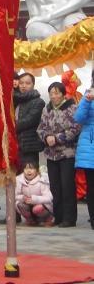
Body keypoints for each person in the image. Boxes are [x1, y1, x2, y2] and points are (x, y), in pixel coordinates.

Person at [38, 82, 81, 227]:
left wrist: (57, 138)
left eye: (57, 93)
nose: (54, 96)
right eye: (51, 93)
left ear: (63, 93)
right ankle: (58, 215)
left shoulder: (72, 108)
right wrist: (46, 137)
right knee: (55, 186)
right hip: (51, 154)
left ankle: (69, 218)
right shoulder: (47, 109)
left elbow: (76, 128)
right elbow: (40, 128)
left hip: (67, 153)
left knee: (67, 185)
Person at [73, 75, 94, 229]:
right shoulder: (88, 94)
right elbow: (78, 118)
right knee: (91, 186)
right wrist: (87, 101)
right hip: (89, 146)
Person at [15, 72, 45, 169]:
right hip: (15, 145)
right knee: (17, 179)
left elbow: (29, 121)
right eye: (21, 83)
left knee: (30, 178)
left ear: (33, 85)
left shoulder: (38, 102)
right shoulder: (16, 101)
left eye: (27, 83)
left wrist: (9, 127)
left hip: (29, 146)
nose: (24, 86)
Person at [15, 160, 53, 226]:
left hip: (41, 205)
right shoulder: (19, 180)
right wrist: (23, 198)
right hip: (27, 204)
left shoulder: (42, 180)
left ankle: (47, 219)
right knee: (19, 204)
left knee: (37, 209)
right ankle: (30, 220)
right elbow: (15, 195)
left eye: (32, 168)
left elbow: (49, 198)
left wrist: (35, 199)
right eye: (26, 168)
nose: (28, 171)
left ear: (37, 170)